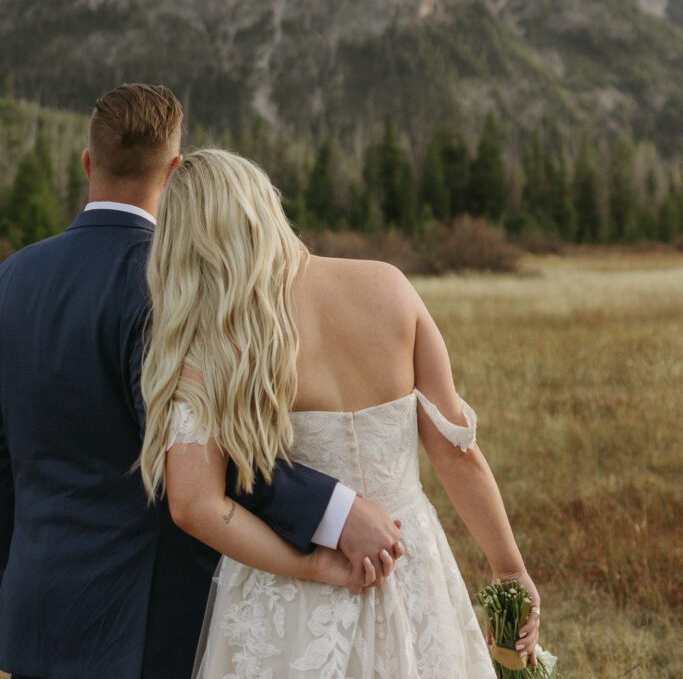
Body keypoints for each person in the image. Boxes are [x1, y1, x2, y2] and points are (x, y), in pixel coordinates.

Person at [0, 84, 401, 679]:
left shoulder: (12, 277)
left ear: (88, 163)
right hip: (142, 619)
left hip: (33, 608)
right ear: (175, 170)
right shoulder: (169, 285)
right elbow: (200, 449)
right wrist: (337, 512)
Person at [140, 149, 542, 679]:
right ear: (267, 206)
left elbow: (194, 505)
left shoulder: (217, 343)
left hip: (292, 589)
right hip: (410, 560)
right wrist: (510, 570)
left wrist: (308, 564)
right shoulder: (389, 286)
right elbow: (455, 453)